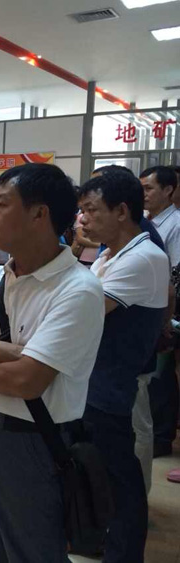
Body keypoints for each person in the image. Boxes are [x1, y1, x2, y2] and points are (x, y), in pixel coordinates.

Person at [0, 163, 105, 562]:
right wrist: (3, 351)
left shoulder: (77, 290)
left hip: (30, 442)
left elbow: (26, 381)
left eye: (1, 203)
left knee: (32, 552)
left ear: (39, 214)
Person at [78, 170, 169, 561]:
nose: (83, 220)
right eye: (81, 210)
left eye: (91, 210)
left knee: (120, 481)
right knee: (100, 475)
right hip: (92, 384)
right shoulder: (109, 255)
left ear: (121, 211)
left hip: (110, 387)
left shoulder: (143, 257)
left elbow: (80, 314)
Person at [141, 166, 180, 459]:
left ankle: (163, 436)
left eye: (149, 188)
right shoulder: (147, 221)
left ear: (168, 190)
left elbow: (176, 273)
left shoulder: (175, 224)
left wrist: (168, 316)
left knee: (162, 375)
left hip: (166, 308)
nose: (143, 194)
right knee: (152, 375)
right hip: (150, 305)